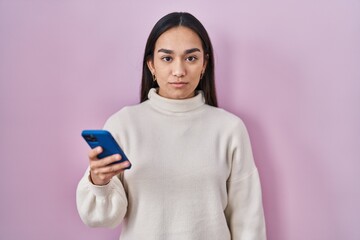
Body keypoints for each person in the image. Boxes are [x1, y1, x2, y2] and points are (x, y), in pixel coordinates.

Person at [76, 12, 266, 240]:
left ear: (204, 64)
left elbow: (248, 221)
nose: (179, 71)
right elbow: (103, 218)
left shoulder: (229, 129)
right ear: (151, 65)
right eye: (167, 58)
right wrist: (99, 182)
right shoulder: (123, 125)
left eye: (191, 58)